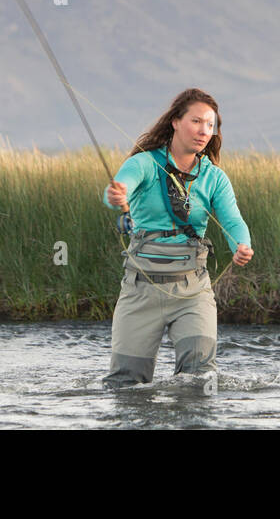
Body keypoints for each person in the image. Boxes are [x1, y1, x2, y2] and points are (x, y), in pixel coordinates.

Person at [101, 88, 253, 387]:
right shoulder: (144, 163)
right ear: (175, 121)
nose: (204, 131)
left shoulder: (215, 177)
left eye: (210, 125)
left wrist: (241, 246)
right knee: (126, 385)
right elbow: (120, 188)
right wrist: (116, 196)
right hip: (140, 291)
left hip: (192, 292)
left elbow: (233, 220)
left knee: (198, 381)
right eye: (196, 121)